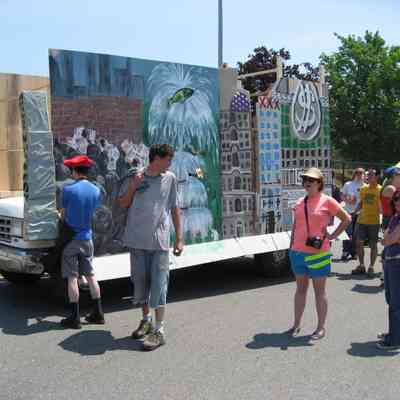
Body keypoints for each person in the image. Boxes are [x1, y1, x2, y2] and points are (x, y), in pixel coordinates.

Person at [118, 144, 183, 351]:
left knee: (159, 285)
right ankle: (146, 320)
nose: (170, 163)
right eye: (168, 159)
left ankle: (159, 330)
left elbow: (175, 208)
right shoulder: (135, 176)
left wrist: (179, 238)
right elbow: (123, 203)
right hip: (137, 241)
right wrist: (133, 186)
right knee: (140, 284)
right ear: (156, 159)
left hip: (159, 243)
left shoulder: (170, 178)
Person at [289, 168, 350, 340]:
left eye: (311, 180)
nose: (307, 182)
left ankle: (320, 327)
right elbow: (296, 226)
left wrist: (332, 236)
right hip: (298, 253)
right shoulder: (299, 202)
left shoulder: (327, 201)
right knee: (300, 290)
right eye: (305, 179)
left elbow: (346, 219)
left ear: (319, 183)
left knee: (319, 292)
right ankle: (296, 324)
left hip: (318, 254)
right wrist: (291, 246)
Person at [60, 155, 104, 329]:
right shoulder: (96, 190)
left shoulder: (68, 190)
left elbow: (63, 215)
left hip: (72, 240)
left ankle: (75, 317)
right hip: (87, 239)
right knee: (91, 276)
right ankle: (98, 313)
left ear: (74, 171)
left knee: (72, 278)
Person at [377, 192, 400, 350]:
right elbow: (386, 238)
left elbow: (389, 239)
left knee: (396, 303)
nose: (398, 202)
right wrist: (389, 238)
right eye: (396, 199)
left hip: (397, 262)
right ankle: (394, 333)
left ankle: (395, 340)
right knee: (391, 300)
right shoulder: (395, 218)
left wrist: (388, 238)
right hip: (390, 261)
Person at [352, 168, 382, 277]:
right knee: (359, 243)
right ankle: (361, 265)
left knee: (373, 245)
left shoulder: (381, 189)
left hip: (374, 222)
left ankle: (371, 267)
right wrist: (354, 212)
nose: (368, 176)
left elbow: (383, 206)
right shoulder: (363, 188)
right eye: (368, 174)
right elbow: (361, 203)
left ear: (377, 177)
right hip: (362, 220)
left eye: (371, 175)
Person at [340, 168, 365, 261]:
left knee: (356, 234)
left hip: (360, 213)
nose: (359, 175)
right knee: (347, 232)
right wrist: (347, 200)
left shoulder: (365, 186)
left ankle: (354, 252)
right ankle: (345, 251)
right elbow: (342, 194)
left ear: (364, 175)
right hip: (348, 211)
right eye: (357, 173)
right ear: (354, 174)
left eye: (361, 173)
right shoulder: (348, 184)